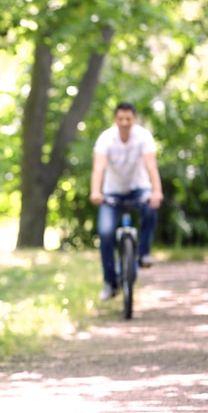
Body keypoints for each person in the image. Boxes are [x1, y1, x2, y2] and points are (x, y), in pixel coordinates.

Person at [90, 102, 163, 301]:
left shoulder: (143, 137)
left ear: (134, 119)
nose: (124, 122)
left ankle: (143, 253)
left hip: (138, 188)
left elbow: (151, 166)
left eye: (128, 119)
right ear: (115, 119)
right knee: (105, 232)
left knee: (151, 206)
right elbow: (99, 168)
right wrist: (96, 191)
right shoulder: (106, 138)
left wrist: (156, 191)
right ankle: (110, 282)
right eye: (120, 118)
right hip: (111, 192)